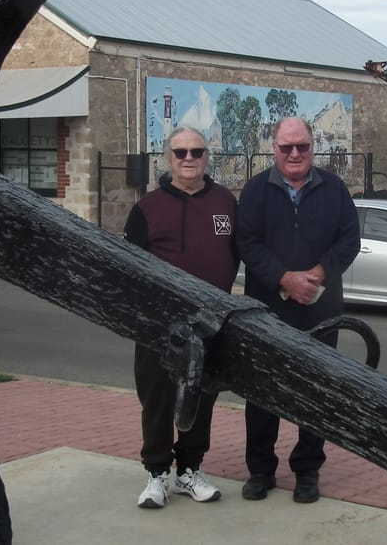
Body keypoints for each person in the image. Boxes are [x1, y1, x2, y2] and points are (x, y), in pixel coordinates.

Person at [235, 116, 361, 504]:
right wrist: (284, 278)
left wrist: (317, 275)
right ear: (274, 148)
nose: (294, 153)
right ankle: (260, 470)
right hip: (265, 308)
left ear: (312, 147)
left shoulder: (335, 189)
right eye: (286, 147)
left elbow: (349, 240)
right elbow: (247, 243)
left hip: (320, 309)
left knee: (314, 390)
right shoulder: (255, 190)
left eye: (302, 146)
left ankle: (307, 470)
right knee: (261, 391)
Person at [123, 125, 239, 509]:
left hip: (209, 326)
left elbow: (238, 254)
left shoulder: (226, 203)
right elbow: (130, 269)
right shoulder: (147, 209)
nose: (189, 159)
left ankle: (189, 470)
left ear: (208, 157)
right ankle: (157, 476)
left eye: (197, 152)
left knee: (201, 399)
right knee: (156, 399)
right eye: (181, 153)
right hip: (159, 328)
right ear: (167, 157)